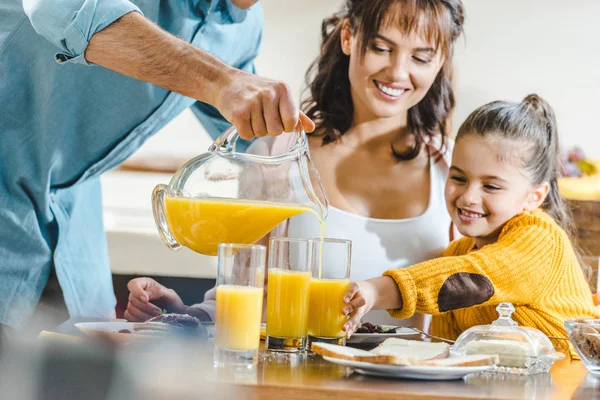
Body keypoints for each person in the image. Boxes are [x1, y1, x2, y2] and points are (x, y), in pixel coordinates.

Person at [125, 0, 465, 327]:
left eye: (421, 57)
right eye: (381, 48)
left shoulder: (454, 171)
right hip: (295, 378)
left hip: (411, 381)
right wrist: (185, 316)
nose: (397, 72)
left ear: (441, 61)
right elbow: (244, 291)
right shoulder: (277, 154)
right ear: (348, 36)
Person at [0, 0, 315, 331]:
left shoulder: (243, 29)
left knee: (88, 372)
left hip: (73, 225)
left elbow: (256, 148)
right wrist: (219, 80)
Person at [341, 94, 600, 343]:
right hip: (506, 386)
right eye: (459, 178)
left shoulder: (541, 241)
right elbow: (448, 351)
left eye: (491, 186)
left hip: (574, 383)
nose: (468, 197)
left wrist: (377, 291)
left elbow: (472, 279)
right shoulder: (455, 255)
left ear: (535, 196)